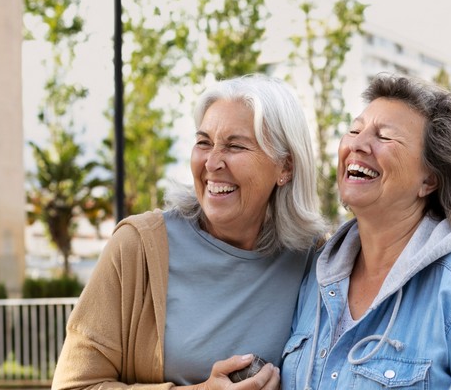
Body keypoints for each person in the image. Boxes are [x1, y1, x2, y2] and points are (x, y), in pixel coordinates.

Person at [52, 74, 327, 390]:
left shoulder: (316, 259)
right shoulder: (137, 246)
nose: (212, 163)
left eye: (234, 145)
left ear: (286, 167)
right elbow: (73, 385)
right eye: (204, 142)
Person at [280, 74, 451, 389]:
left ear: (429, 179)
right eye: (354, 130)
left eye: (384, 137)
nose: (357, 145)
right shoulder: (315, 278)